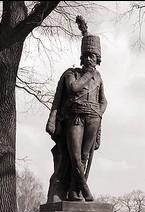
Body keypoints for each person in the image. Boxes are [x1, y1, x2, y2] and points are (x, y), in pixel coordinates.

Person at [46, 16, 107, 202]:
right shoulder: (72, 73)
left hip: (93, 119)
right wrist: (88, 73)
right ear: (82, 57)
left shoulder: (99, 78)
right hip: (75, 118)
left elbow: (104, 100)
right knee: (74, 156)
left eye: (93, 56)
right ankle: (85, 188)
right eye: (87, 55)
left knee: (84, 155)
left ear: (98, 59)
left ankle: (74, 190)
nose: (89, 59)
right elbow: (74, 88)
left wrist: (99, 111)